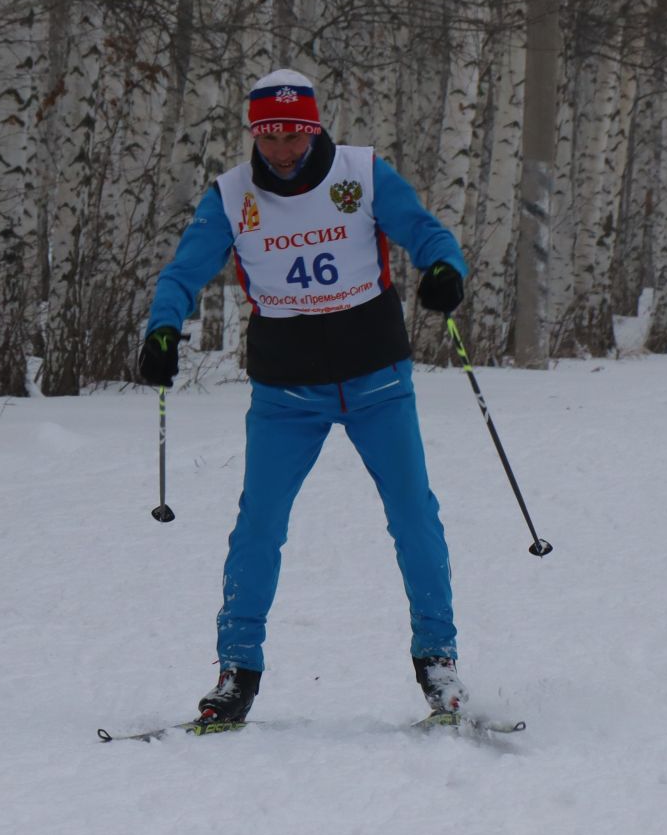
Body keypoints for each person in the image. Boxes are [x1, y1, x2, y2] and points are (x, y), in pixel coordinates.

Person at [139, 67, 472, 727]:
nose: (283, 149)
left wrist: (443, 270)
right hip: (285, 392)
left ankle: (438, 662)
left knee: (413, 516)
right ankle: (236, 674)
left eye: (294, 133)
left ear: (314, 127)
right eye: (268, 135)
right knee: (258, 526)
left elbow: (428, 235)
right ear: (253, 132)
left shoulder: (363, 174)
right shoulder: (231, 197)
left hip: (377, 380)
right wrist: (162, 329)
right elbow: (183, 271)